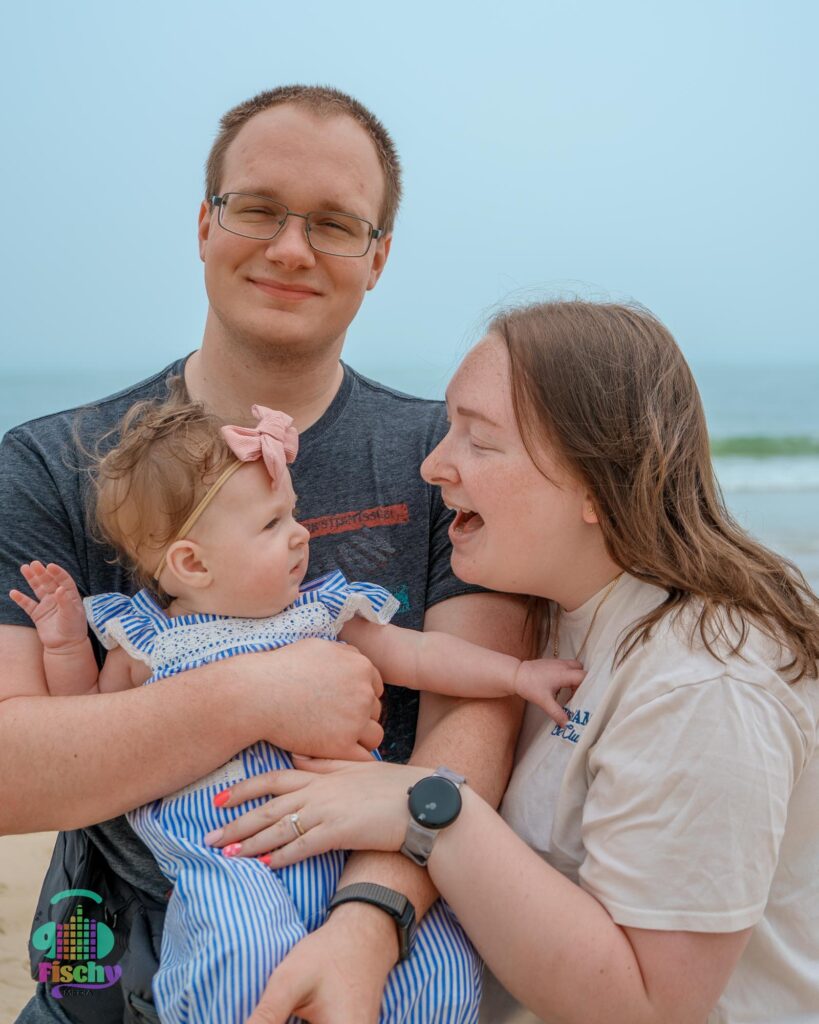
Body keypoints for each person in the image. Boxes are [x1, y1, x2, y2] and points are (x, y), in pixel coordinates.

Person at [0, 85, 528, 1024]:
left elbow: (474, 720)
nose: (290, 249)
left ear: (379, 258)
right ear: (205, 224)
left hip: (384, 948)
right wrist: (254, 692)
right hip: (102, 976)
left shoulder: (441, 461)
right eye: (256, 209)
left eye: (334, 224)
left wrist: (367, 926)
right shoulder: (49, 462)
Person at [205, 300, 819, 1024]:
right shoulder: (558, 615)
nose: (433, 465)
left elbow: (651, 1008)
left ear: (594, 483)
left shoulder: (705, 684)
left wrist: (424, 809)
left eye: (479, 441)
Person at [9, 394, 581, 1023]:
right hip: (227, 859)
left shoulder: (317, 615)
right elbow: (88, 721)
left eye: (292, 514)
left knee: (438, 953)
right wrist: (65, 642)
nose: (300, 533)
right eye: (271, 525)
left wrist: (514, 672)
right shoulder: (145, 641)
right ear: (192, 563)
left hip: (348, 850)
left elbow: (420, 655)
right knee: (239, 944)